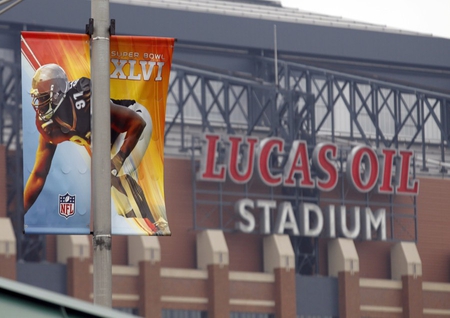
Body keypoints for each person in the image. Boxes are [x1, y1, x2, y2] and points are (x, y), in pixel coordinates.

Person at [24, 63, 161, 234]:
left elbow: (136, 123)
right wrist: (20, 213)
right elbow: (38, 174)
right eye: (38, 98)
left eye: (44, 98)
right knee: (120, 201)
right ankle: (149, 222)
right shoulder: (48, 126)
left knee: (110, 175)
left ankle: (153, 222)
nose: (40, 105)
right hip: (108, 142)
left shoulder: (85, 99)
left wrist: (117, 161)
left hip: (134, 122)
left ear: (58, 95)